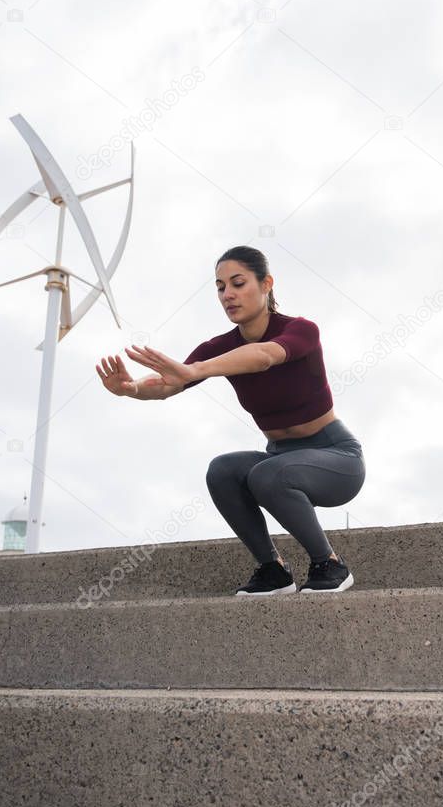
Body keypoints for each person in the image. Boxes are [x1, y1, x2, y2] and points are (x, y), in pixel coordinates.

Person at [95, 245, 366, 597]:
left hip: (336, 459)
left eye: (238, 283)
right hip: (282, 458)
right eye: (221, 287)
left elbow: (264, 356)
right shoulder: (217, 347)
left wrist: (195, 369)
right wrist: (130, 389)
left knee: (268, 473)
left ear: (266, 283)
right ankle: (274, 572)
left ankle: (329, 564)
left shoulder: (301, 330)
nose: (228, 295)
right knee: (222, 470)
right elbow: (167, 385)